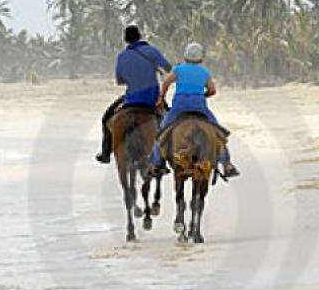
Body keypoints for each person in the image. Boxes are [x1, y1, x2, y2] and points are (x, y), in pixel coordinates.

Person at [149, 42, 240, 178]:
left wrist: (161, 97)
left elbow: (166, 82)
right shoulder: (204, 72)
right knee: (217, 133)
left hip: (179, 107)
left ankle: (156, 164)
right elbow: (212, 90)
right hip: (199, 107)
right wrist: (203, 95)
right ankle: (227, 164)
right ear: (201, 58)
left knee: (161, 132)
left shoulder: (178, 69)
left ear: (185, 55)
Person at [95, 24, 171, 163]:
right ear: (139, 36)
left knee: (107, 118)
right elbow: (168, 67)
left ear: (126, 39)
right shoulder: (152, 51)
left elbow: (120, 80)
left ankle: (105, 152)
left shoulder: (122, 56)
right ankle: (166, 156)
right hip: (152, 97)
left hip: (131, 98)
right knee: (169, 119)